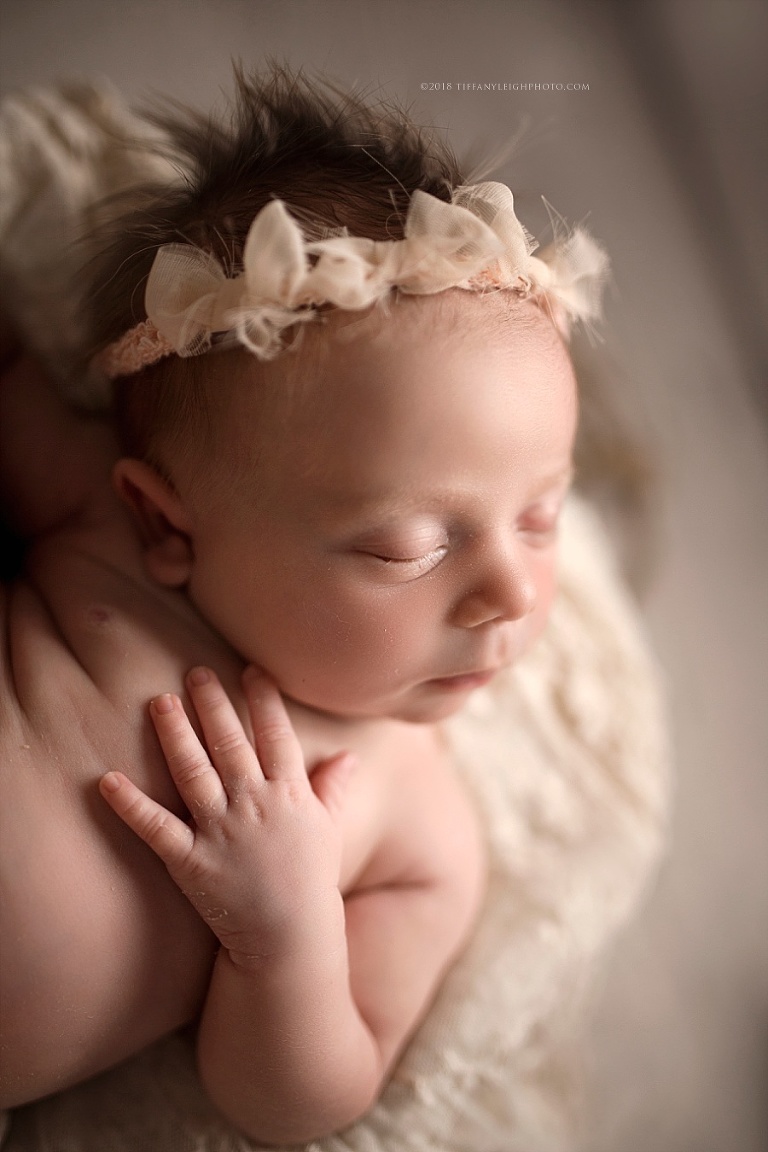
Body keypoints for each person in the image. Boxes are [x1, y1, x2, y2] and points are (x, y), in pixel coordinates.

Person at [0, 66, 608, 1144]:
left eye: (543, 515)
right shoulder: (109, 530)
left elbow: (301, 1101)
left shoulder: (419, 826)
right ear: (169, 526)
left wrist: (285, 938)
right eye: (409, 545)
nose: (512, 591)